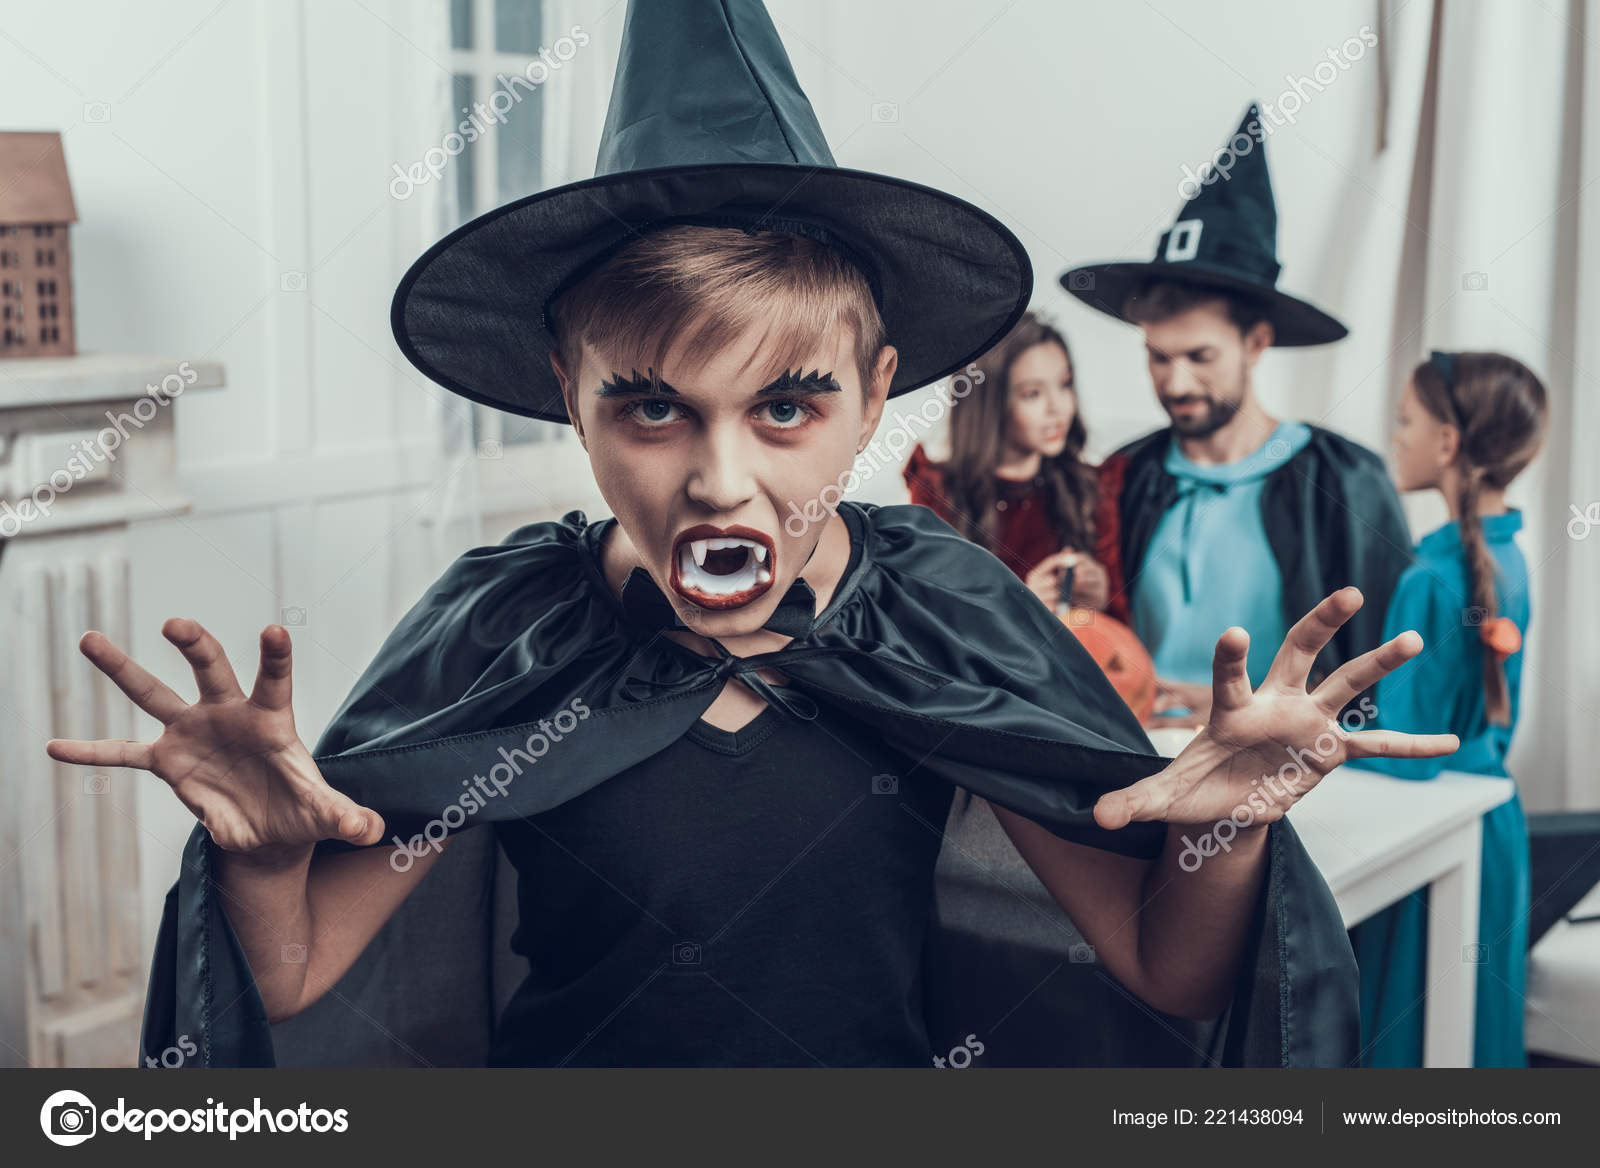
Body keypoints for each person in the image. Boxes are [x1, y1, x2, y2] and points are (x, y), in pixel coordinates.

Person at [45, 2, 1453, 1068]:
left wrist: (1223, 842)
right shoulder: (505, 627)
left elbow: (1169, 971)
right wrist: (260, 861)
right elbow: (289, 977)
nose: (722, 482)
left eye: (787, 406)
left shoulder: (945, 615)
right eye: (654, 410)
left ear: (876, 400)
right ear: (569, 401)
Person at [1061, 104, 1412, 725]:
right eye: (1158, 358)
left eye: (1200, 356)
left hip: (1289, 775)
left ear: (1255, 344)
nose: (1176, 382)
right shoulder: (1123, 477)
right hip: (1136, 758)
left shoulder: (1345, 480)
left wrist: (1258, 711)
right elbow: (1089, 639)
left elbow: (1389, 671)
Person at [1348, 351, 1548, 1068]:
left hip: (1435, 842)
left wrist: (1319, 729)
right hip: (1494, 828)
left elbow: (1405, 749)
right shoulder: (1509, 558)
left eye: (1405, 421)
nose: (1393, 436)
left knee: (1409, 1047)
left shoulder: (1432, 578)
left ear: (1447, 444)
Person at [902, 311, 1113, 613]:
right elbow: (927, 621)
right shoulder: (937, 494)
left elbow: (1122, 634)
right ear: (989, 405)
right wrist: (1020, 609)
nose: (1058, 408)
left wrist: (1101, 597)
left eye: (1064, 384)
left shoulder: (1090, 487)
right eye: (1032, 394)